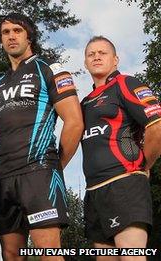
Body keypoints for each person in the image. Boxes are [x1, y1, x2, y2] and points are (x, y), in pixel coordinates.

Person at [0, 13, 83, 260]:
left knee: (48, 252)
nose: (10, 36)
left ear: (29, 36)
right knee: (11, 254)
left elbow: (74, 122)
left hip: (39, 172)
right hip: (3, 177)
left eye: (17, 30)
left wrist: (56, 167)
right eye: (5, 32)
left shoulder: (50, 69)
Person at [81, 36, 161, 256]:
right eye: (91, 54)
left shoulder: (126, 83)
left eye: (102, 53)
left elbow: (157, 126)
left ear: (115, 59)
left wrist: (146, 164)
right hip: (94, 192)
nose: (96, 56)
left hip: (124, 185)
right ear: (85, 63)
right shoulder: (84, 102)